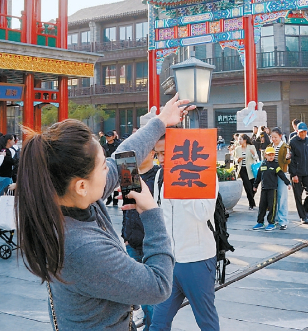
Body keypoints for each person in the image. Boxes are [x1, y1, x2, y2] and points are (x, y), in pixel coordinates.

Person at [15, 94, 189, 330]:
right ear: (81, 185)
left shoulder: (70, 200)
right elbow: (159, 286)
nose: (110, 168)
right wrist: (151, 211)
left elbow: (123, 159)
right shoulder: (81, 247)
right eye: (103, 166)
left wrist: (161, 121)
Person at [151, 135, 221, 331]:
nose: (160, 159)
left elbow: (204, 212)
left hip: (197, 260)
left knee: (206, 322)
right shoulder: (160, 175)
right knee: (158, 323)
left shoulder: (205, 173)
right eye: (157, 154)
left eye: (164, 153)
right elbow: (160, 214)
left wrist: (182, 184)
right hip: (169, 262)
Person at [121, 109, 164, 329]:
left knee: (152, 296)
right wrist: (125, 236)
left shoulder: (159, 175)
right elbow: (126, 209)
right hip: (132, 242)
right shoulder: (128, 173)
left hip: (151, 242)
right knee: (138, 294)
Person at [252, 146, 291, 231]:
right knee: (262, 206)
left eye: (273, 155)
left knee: (272, 206)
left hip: (272, 189)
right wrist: (255, 185)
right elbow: (258, 176)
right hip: (264, 189)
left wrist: (287, 183)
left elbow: (281, 174)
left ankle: (271, 223)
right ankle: (260, 222)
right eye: (269, 155)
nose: (271, 157)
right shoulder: (263, 164)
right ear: (265, 155)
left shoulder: (275, 165)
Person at [289, 122, 308, 224]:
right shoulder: (292, 142)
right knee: (298, 195)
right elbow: (290, 160)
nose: (303, 133)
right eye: (301, 132)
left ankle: (305, 209)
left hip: (307, 171)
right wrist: (293, 174)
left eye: (305, 131)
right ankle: (302, 216)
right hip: (297, 172)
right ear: (297, 132)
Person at [270, 127, 291, 229]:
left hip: (281, 174)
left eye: (275, 137)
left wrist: (287, 157)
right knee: (273, 197)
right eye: (272, 137)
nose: (274, 139)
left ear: (280, 136)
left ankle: (283, 220)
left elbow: (287, 161)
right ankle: (274, 218)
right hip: (271, 174)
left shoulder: (284, 147)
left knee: (282, 197)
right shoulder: (270, 146)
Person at [235, 134, 259, 211]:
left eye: (240, 139)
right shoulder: (237, 149)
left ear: (245, 140)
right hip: (242, 170)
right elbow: (235, 159)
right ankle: (251, 204)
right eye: (238, 139)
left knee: (253, 187)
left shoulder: (251, 147)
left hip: (251, 169)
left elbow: (256, 157)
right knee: (247, 187)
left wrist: (253, 154)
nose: (239, 141)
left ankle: (252, 200)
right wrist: (238, 160)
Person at [0, 134, 17, 199]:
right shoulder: (5, 151)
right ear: (9, 140)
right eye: (13, 140)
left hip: (1, 176)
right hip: (5, 176)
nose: (14, 142)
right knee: (4, 195)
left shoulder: (1, 149)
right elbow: (10, 161)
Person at [103, 131, 122, 206]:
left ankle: (115, 199)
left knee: (116, 182)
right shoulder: (104, 146)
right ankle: (109, 197)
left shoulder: (118, 145)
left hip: (117, 164)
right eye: (107, 136)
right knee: (107, 180)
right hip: (107, 164)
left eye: (109, 136)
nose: (108, 138)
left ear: (113, 137)